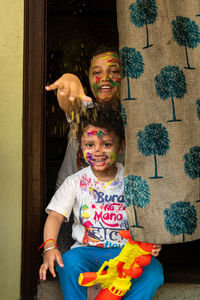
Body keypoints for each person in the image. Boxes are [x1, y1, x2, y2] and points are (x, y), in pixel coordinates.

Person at [39, 106, 164, 300]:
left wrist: (153, 241)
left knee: (154, 272)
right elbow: (55, 216)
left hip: (126, 254)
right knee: (68, 263)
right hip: (87, 253)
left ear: (121, 146)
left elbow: (148, 214)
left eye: (106, 144)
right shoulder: (75, 182)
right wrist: (50, 247)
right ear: (80, 146)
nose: (97, 151)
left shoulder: (131, 180)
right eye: (89, 145)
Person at [46, 47, 123, 188]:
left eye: (114, 71)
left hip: (111, 205)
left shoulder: (133, 117)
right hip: (70, 206)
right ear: (88, 76)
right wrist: (69, 78)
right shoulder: (82, 109)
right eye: (97, 72)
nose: (105, 78)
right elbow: (68, 99)